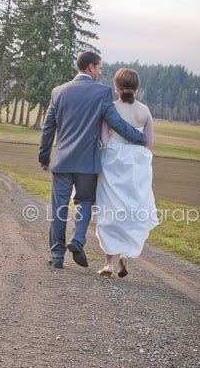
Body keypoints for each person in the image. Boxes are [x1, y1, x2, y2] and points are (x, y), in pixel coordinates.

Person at [39, 52, 146, 269]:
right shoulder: (102, 92)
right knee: (84, 203)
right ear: (89, 67)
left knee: (59, 207)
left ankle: (57, 257)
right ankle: (77, 240)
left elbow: (48, 126)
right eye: (99, 68)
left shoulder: (58, 92)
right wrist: (140, 137)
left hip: (61, 162)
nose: (100, 72)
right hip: (87, 163)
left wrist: (44, 156)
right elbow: (115, 122)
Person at [95, 68, 159, 278]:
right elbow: (148, 143)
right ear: (137, 88)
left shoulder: (110, 109)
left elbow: (104, 141)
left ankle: (108, 264)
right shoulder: (145, 111)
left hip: (114, 163)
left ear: (116, 87)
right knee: (132, 210)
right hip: (136, 166)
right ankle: (124, 256)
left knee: (109, 210)